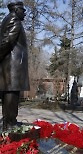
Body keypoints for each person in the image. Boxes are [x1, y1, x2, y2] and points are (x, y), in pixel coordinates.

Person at [0, 2, 29, 130]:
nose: (25, 12)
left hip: (11, 65)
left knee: (10, 93)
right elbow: (6, 42)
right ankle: (9, 123)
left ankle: (9, 121)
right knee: (11, 93)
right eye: (23, 10)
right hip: (12, 66)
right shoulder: (14, 20)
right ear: (16, 10)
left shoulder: (9, 19)